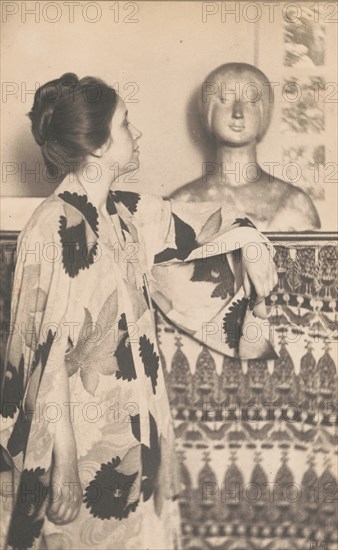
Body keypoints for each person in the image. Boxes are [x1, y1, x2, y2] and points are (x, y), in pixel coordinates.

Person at [0, 73, 277, 550]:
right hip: (82, 449)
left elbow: (205, 226)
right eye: (126, 124)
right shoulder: (52, 227)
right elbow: (42, 359)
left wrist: (250, 244)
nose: (138, 134)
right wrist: (62, 462)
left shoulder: (126, 215)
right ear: (100, 144)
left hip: (139, 434)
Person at [170, 62, 321, 231]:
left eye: (251, 102)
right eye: (225, 100)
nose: (237, 113)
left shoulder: (293, 203)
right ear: (208, 111)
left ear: (264, 113)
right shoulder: (183, 203)